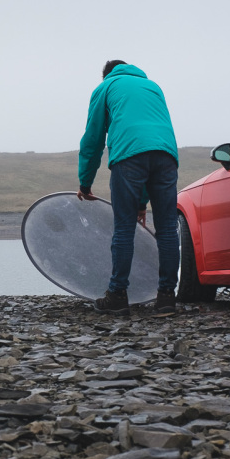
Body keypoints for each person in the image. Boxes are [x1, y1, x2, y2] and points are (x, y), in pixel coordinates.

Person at [77, 60, 180, 316]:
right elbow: (150, 145)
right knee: (167, 227)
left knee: (123, 228)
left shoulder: (106, 87)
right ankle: (167, 298)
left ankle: (117, 295)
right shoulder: (153, 86)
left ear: (106, 75)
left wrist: (85, 182)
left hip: (129, 157)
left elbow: (93, 138)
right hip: (166, 155)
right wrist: (141, 204)